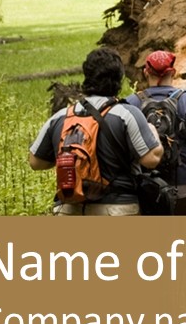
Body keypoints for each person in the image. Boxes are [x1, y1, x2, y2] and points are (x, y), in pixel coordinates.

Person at [29, 47, 162, 216]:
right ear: (119, 79)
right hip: (117, 210)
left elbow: (35, 162)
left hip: (69, 210)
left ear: (87, 76)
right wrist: (152, 132)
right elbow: (151, 159)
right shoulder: (127, 114)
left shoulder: (61, 117)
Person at [126, 50, 186, 215]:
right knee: (185, 236)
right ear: (173, 72)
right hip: (185, 185)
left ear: (146, 72)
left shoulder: (132, 103)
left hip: (146, 186)